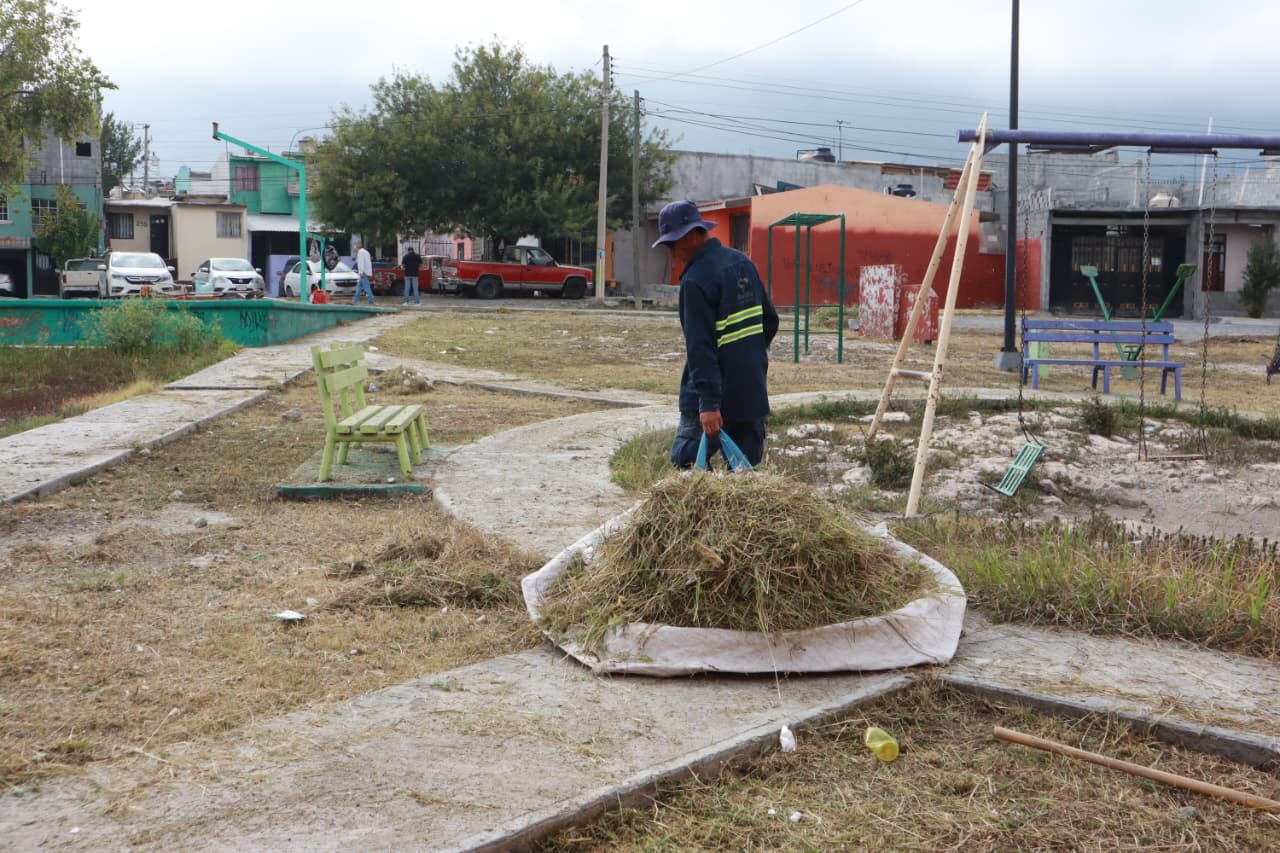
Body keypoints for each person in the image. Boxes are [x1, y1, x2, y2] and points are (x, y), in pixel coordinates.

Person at [653, 199, 779, 469]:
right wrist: (748, 357)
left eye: (672, 244)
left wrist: (708, 404)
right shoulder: (743, 263)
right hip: (750, 392)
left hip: (712, 398)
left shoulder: (695, 280)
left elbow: (700, 347)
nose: (672, 252)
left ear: (692, 235)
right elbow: (770, 321)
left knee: (687, 463)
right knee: (744, 472)